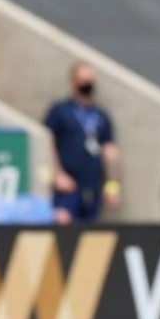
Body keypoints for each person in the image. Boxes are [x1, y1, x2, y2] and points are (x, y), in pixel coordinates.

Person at [44, 61, 121, 224]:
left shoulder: (101, 115)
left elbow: (109, 150)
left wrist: (112, 185)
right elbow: (47, 143)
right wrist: (56, 174)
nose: (87, 85)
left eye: (90, 81)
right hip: (68, 185)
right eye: (83, 80)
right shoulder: (60, 111)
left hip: (92, 186)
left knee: (90, 231)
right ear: (73, 81)